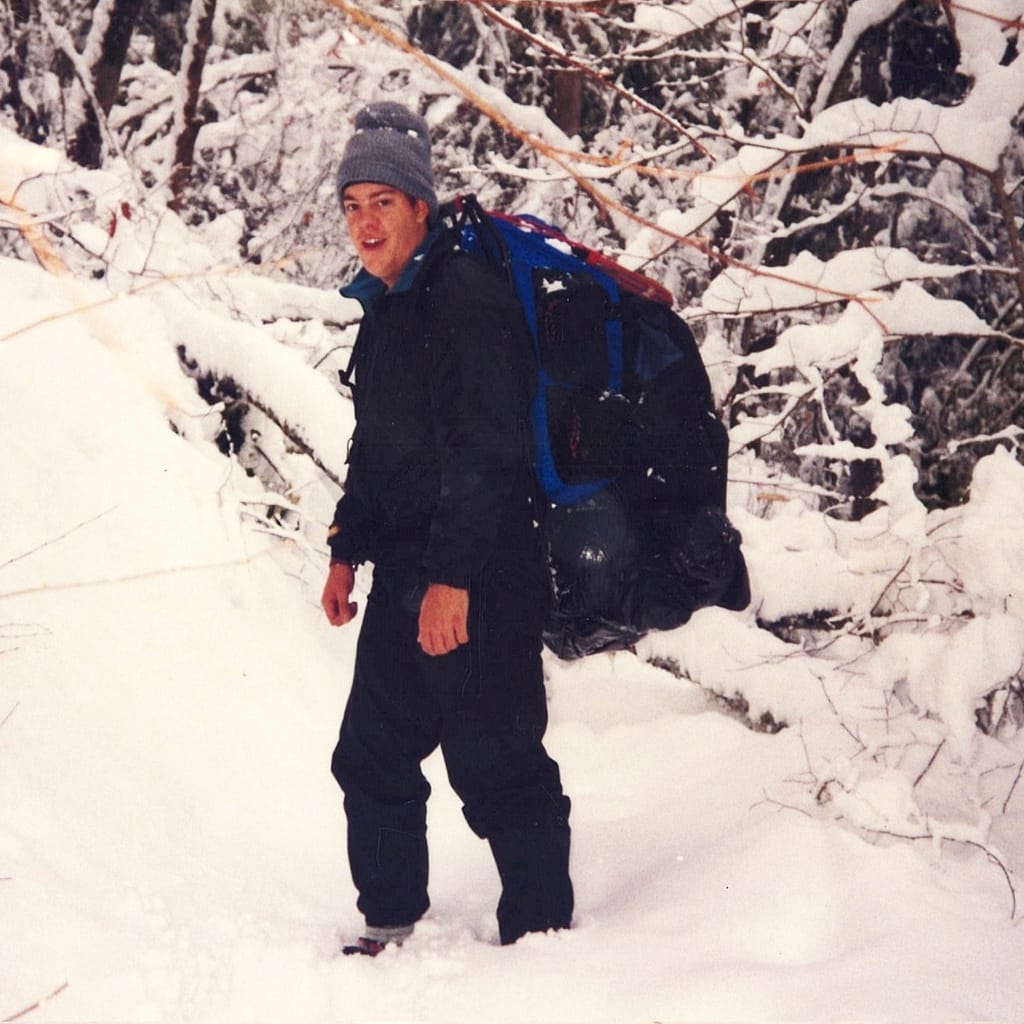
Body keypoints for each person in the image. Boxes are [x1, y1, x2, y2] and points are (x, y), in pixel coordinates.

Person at [320, 101, 574, 956]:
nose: (364, 221)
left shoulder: (463, 296)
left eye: (382, 202)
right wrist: (345, 551)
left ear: (420, 207)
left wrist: (454, 578)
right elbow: (380, 446)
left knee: (496, 768)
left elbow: (486, 449)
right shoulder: (392, 304)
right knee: (372, 756)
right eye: (353, 203)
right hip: (404, 572)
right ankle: (388, 923)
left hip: (481, 580)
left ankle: (547, 949)